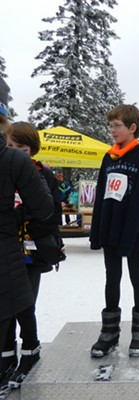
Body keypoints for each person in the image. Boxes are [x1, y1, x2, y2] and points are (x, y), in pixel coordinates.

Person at [0, 78, 54, 388]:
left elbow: (49, 209)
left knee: (23, 302)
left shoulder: (41, 172)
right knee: (4, 301)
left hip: (31, 249)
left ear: (31, 150)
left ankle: (30, 347)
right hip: (9, 246)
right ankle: (7, 352)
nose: (15, 151)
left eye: (21, 147)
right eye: (11, 146)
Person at [89, 104, 139, 358]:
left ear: (132, 127)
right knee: (111, 277)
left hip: (133, 230)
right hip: (110, 228)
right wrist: (97, 230)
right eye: (111, 126)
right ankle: (110, 332)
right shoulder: (108, 157)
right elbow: (101, 196)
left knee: (137, 276)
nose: (112, 130)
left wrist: (130, 234)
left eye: (117, 126)